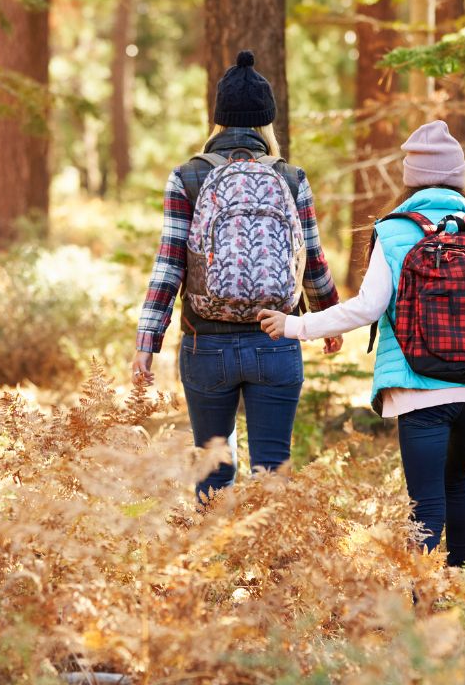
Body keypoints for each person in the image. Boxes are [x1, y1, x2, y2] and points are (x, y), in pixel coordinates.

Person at [259, 120, 465, 567]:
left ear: (411, 179)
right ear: (459, 178)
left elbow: (367, 308)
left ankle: (422, 603)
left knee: (425, 500)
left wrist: (295, 326)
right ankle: (460, 585)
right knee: (457, 481)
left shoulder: (393, 231)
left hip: (419, 387)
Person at [132, 50, 342, 499]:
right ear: (267, 122)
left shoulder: (187, 176)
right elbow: (312, 258)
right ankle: (269, 566)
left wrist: (145, 344)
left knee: (212, 469)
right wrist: (329, 320)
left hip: (205, 343)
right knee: (271, 473)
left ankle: (214, 565)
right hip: (276, 338)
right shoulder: (290, 177)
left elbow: (169, 267)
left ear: (218, 120)